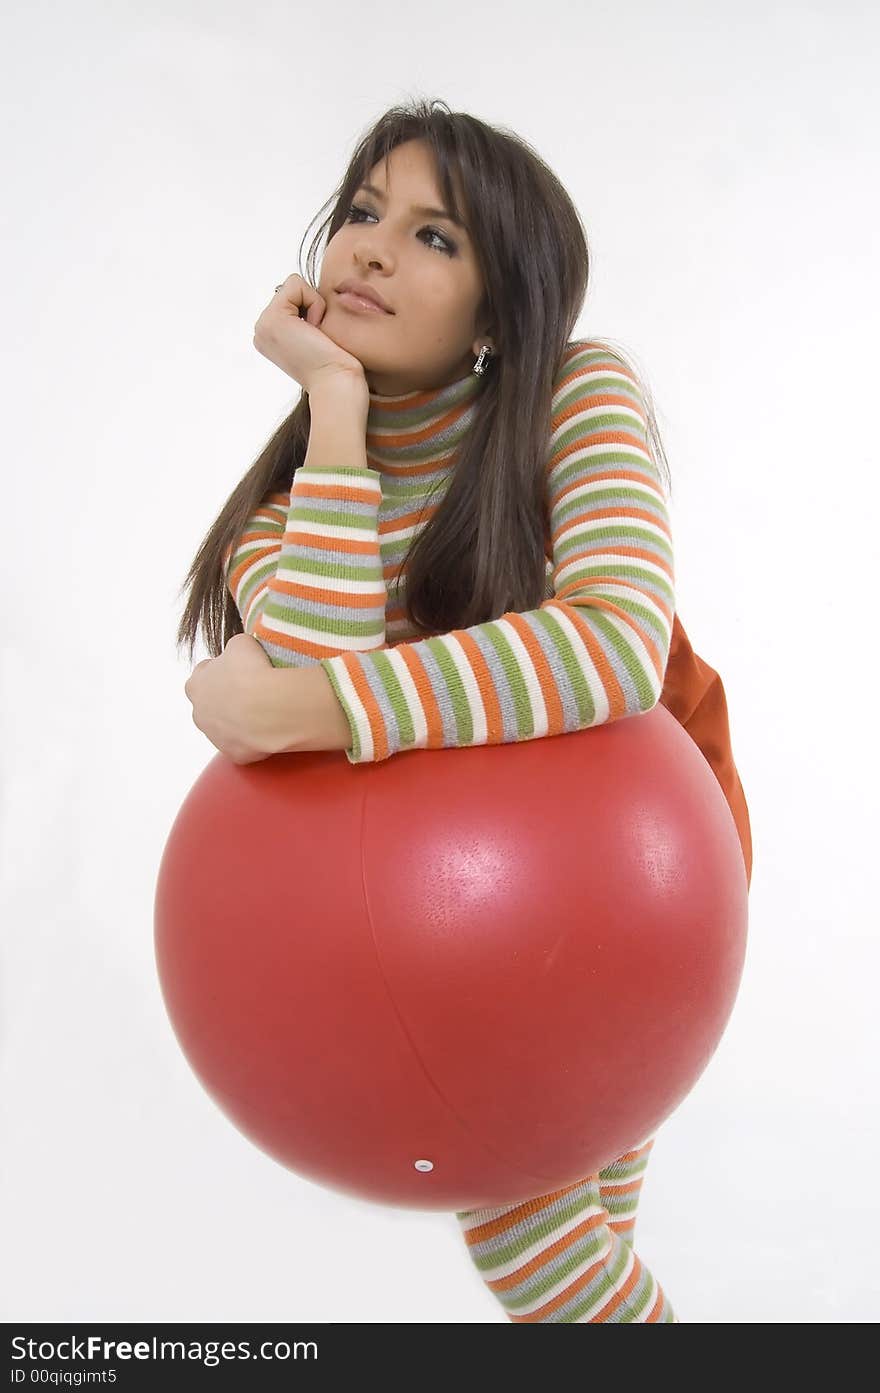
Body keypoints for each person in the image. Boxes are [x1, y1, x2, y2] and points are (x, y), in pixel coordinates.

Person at [177, 99, 752, 1323]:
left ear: (501, 310)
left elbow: (610, 645)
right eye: (363, 213)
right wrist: (332, 399)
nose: (372, 249)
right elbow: (320, 642)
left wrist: (312, 703)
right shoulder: (283, 519)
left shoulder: (575, 397)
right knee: (576, 1251)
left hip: (639, 874)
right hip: (443, 931)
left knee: (555, 1264)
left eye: (436, 238)